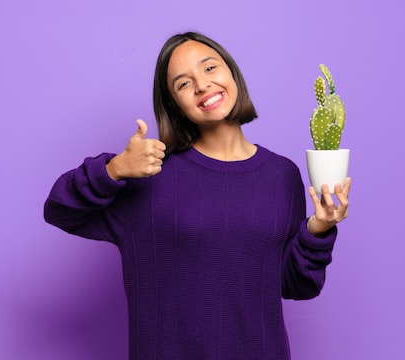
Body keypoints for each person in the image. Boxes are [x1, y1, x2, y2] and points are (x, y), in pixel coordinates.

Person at [44, 31, 350, 360]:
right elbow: (60, 210)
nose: (202, 86)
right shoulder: (149, 174)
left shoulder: (282, 175)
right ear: (175, 106)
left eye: (209, 69)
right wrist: (114, 169)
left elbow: (295, 284)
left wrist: (318, 229)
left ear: (232, 74)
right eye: (183, 83)